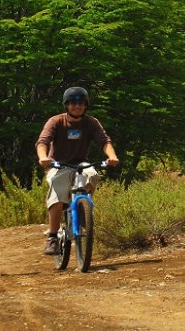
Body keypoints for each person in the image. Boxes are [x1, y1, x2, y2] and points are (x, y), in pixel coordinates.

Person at [35, 86, 119, 254]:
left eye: (81, 103)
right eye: (73, 103)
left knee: (94, 176)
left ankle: (82, 208)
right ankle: (52, 237)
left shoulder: (91, 122)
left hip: (81, 163)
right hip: (58, 164)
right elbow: (43, 141)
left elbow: (104, 141)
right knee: (57, 195)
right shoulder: (56, 121)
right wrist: (43, 157)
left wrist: (112, 156)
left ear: (86, 105)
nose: (77, 106)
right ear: (66, 105)